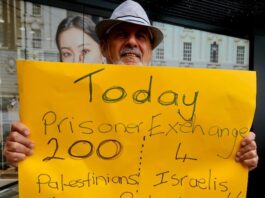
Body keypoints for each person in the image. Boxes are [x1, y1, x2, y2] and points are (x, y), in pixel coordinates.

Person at [4, 0, 258, 171]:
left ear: (150, 50)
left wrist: (238, 156)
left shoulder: (186, 102)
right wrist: (21, 153)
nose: (132, 42)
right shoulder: (68, 99)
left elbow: (206, 158)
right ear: (104, 47)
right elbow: (49, 158)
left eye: (141, 36)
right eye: (122, 34)